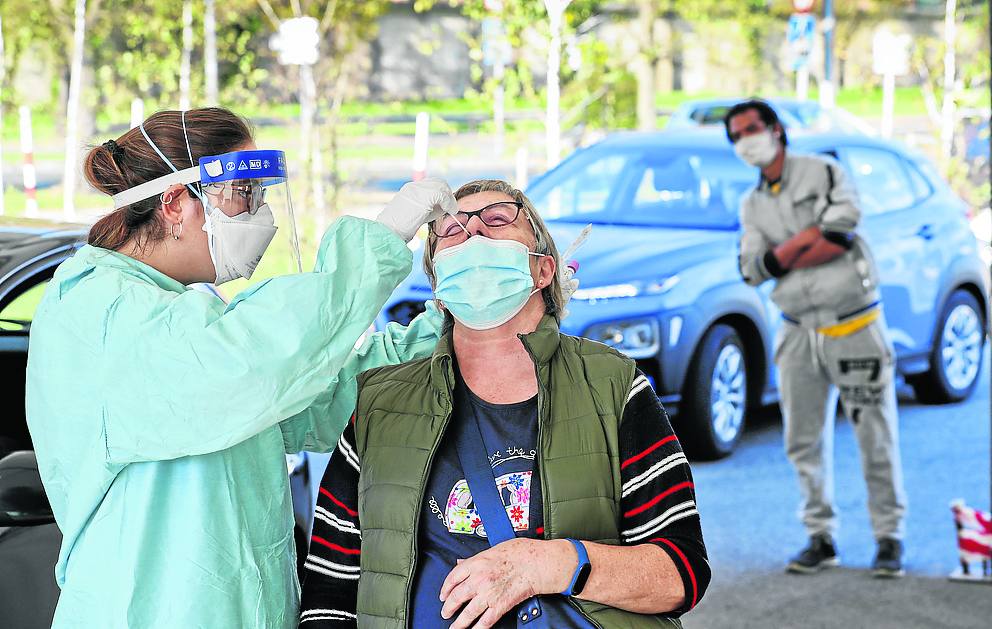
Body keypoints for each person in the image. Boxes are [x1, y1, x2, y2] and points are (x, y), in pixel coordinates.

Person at [25, 107, 459, 628]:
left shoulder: (180, 314)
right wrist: (381, 242)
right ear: (174, 203)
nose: (260, 216)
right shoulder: (100, 308)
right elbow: (253, 365)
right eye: (243, 194)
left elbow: (317, 398)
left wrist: (449, 328)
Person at [298, 179, 710, 628]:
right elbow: (330, 590)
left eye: (496, 220)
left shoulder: (613, 387)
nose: (472, 233)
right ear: (438, 285)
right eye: (452, 230)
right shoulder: (378, 404)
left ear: (543, 271)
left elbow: (681, 574)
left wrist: (551, 564)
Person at [724, 99, 908, 578]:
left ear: (776, 129)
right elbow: (753, 269)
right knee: (802, 440)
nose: (747, 141)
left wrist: (783, 254)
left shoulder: (823, 172)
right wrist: (804, 241)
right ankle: (820, 536)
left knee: (876, 436)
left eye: (752, 129)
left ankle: (889, 538)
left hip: (853, 325)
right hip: (796, 330)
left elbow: (840, 235)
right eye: (737, 135)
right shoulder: (752, 203)